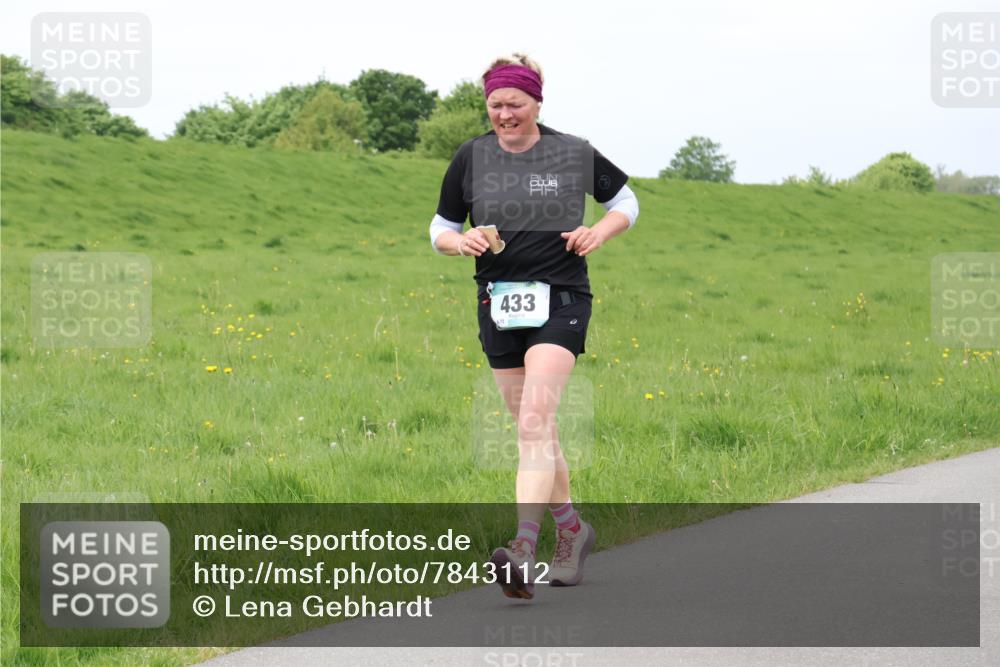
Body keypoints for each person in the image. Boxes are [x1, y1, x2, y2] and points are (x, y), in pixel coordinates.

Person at [428, 53, 639, 600]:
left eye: (514, 104)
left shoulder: (572, 151)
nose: (503, 114)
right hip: (497, 303)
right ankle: (572, 531)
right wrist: (461, 242)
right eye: (494, 104)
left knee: (534, 420)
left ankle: (522, 547)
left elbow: (626, 201)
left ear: (536, 102)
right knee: (534, 429)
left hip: (562, 298)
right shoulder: (470, 157)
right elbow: (441, 227)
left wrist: (599, 232)